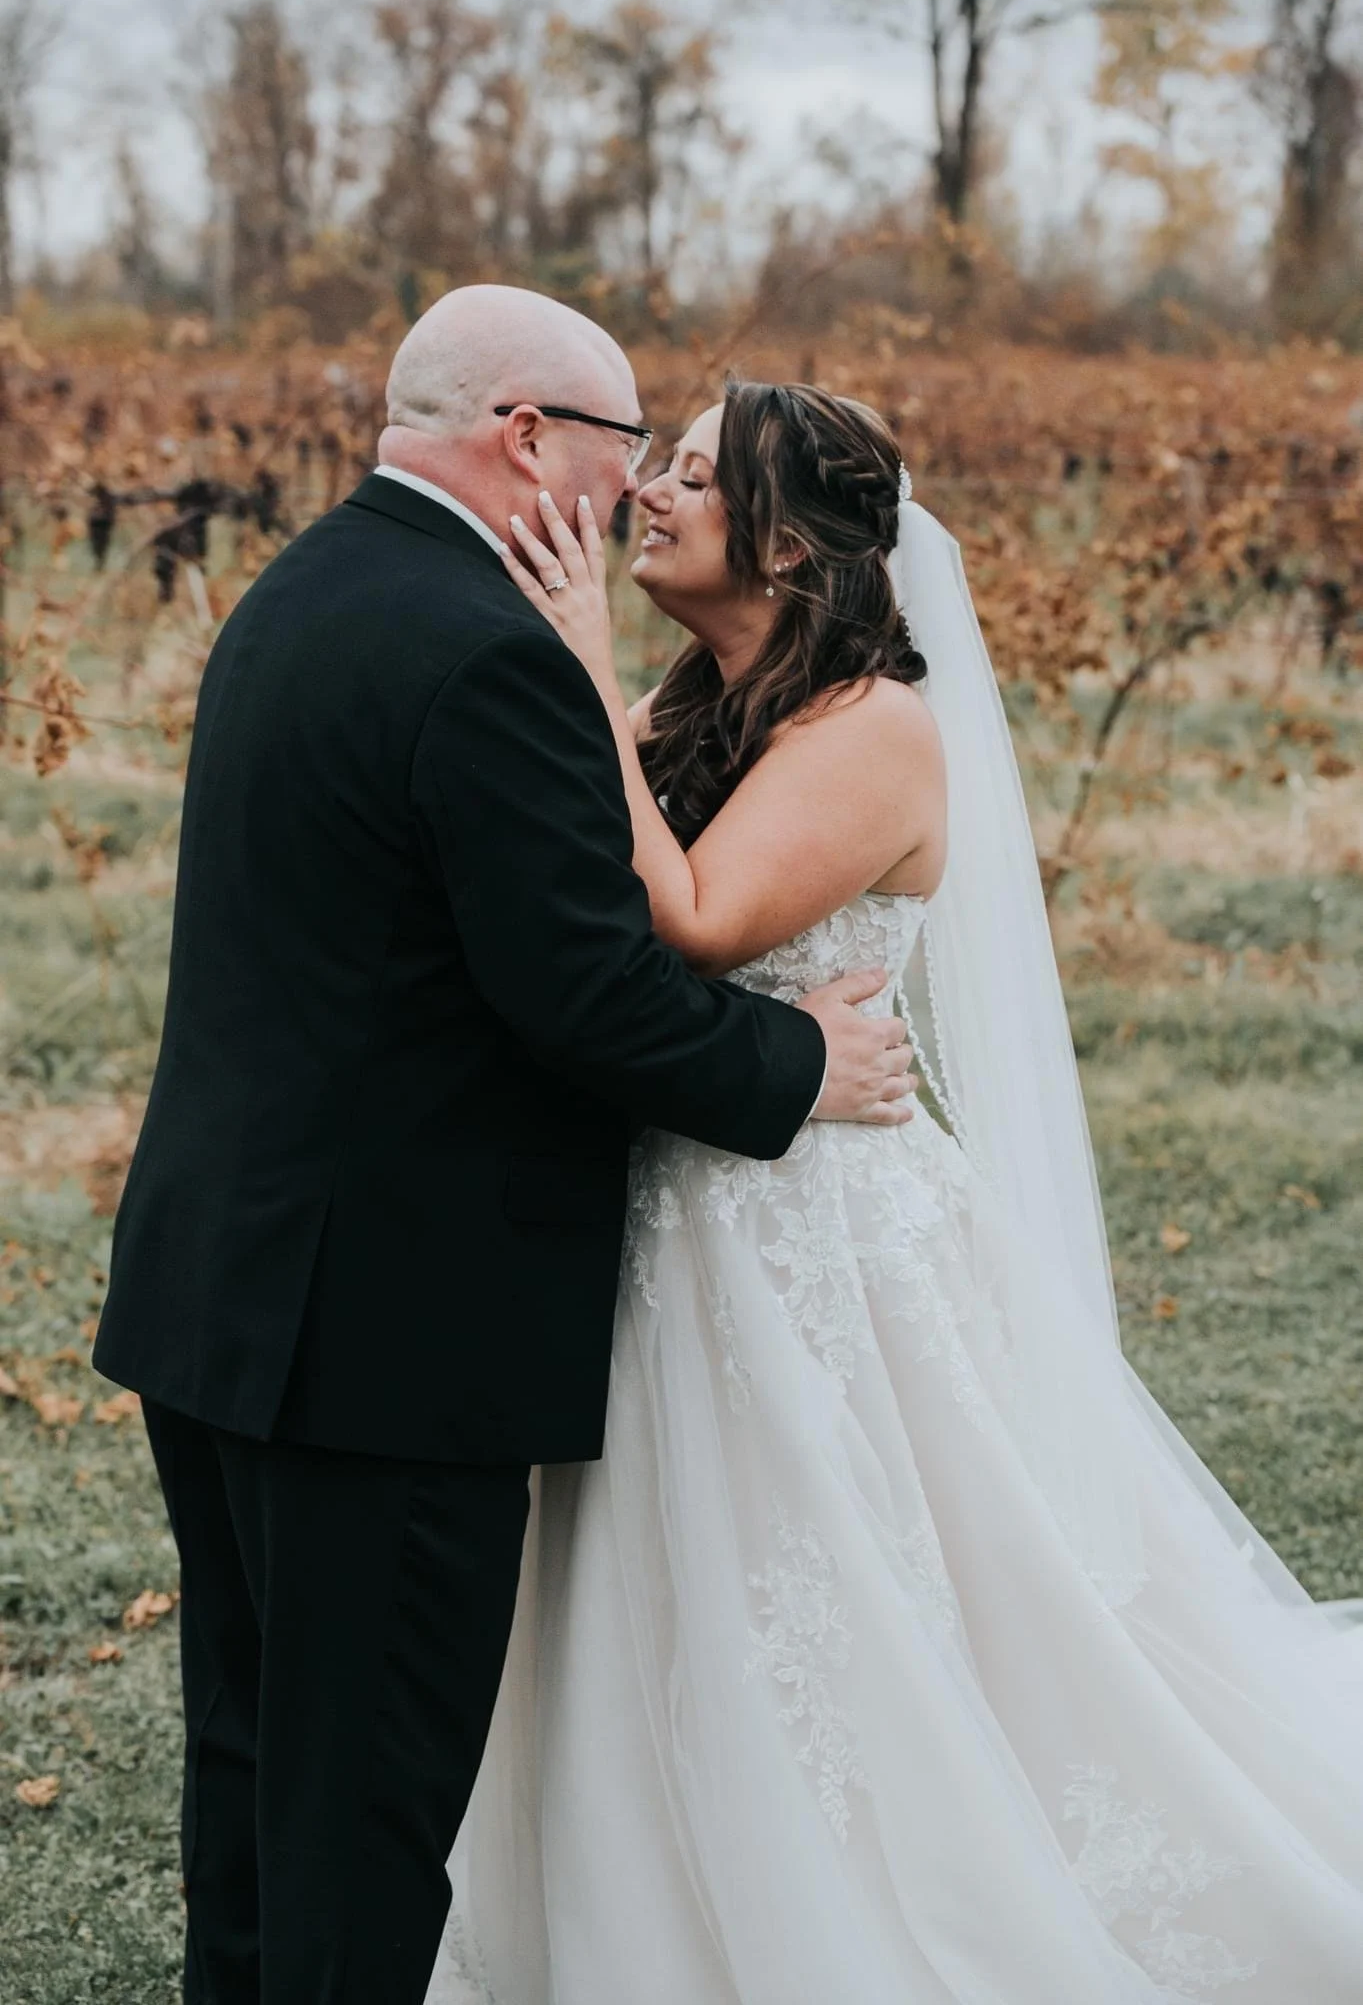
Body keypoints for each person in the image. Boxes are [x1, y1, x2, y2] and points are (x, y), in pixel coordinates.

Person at [432, 379, 1363, 2004]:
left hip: (815, 1243)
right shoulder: (696, 706)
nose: (650, 491)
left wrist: (575, 656)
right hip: (672, 1224)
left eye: (694, 476)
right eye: (659, 463)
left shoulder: (871, 727)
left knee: (873, 1598)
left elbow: (703, 918)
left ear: (785, 543)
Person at [92, 293, 919, 2005]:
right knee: (365, 1808)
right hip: (382, 1341)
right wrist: (799, 1063)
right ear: (530, 435)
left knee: (256, 1768)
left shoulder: (307, 587)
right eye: (629, 454)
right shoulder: (483, 650)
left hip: (224, 1291)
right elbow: (590, 998)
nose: (635, 495)